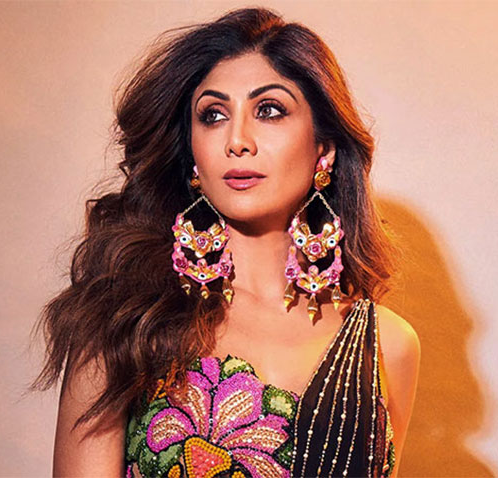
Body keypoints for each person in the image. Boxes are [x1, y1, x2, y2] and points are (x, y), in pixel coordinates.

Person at [30, 7, 420, 477]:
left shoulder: (387, 346)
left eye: (269, 110)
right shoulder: (124, 319)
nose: (237, 140)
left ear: (325, 146)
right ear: (193, 156)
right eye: (213, 116)